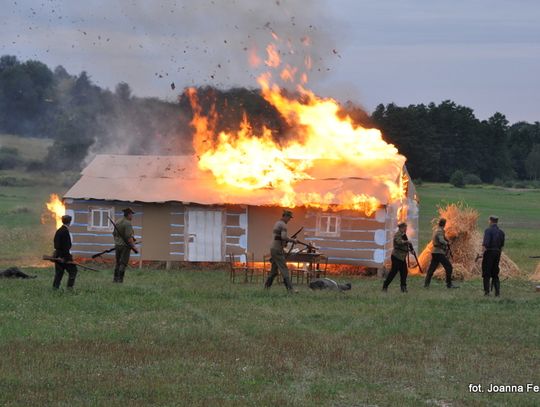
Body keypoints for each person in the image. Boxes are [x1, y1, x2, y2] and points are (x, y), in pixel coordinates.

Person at [264, 209, 298, 293]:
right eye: (289, 218)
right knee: (284, 269)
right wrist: (292, 240)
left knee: (274, 271)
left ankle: (266, 289)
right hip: (277, 249)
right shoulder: (283, 225)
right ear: (285, 216)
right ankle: (291, 290)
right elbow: (283, 237)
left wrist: (286, 241)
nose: (289, 220)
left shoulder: (277, 223)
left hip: (274, 248)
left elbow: (278, 237)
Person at [424, 218, 458, 289]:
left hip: (435, 252)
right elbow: (441, 240)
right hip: (439, 252)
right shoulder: (439, 231)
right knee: (449, 267)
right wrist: (447, 243)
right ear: (444, 224)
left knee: (431, 269)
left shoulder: (437, 230)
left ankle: (426, 284)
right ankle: (449, 284)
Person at [382, 222, 411, 293]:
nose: (406, 229)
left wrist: (410, 249)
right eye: (405, 227)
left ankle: (403, 288)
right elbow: (399, 242)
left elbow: (404, 246)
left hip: (402, 257)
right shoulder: (398, 234)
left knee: (404, 272)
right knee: (393, 273)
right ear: (401, 228)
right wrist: (406, 241)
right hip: (396, 257)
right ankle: (385, 285)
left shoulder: (403, 235)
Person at [482, 215, 505, 296]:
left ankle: (487, 292)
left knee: (486, 273)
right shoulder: (501, 232)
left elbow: (486, 244)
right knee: (495, 273)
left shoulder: (488, 231)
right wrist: (498, 255)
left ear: (490, 221)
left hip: (489, 253)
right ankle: (497, 292)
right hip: (497, 253)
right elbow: (502, 246)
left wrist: (482, 254)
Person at [52, 215, 77, 289]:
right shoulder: (65, 231)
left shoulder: (59, 230)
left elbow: (56, 244)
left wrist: (58, 255)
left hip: (57, 255)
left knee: (59, 273)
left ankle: (55, 288)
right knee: (73, 271)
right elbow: (66, 246)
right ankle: (69, 288)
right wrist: (68, 258)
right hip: (64, 256)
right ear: (70, 222)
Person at [113, 207, 137, 283]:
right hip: (125, 246)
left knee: (118, 263)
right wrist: (134, 247)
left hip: (117, 245)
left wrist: (118, 242)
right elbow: (128, 238)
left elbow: (114, 234)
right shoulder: (128, 223)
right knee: (123, 263)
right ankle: (120, 280)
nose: (132, 216)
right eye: (131, 214)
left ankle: (115, 279)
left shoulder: (118, 221)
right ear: (128, 214)